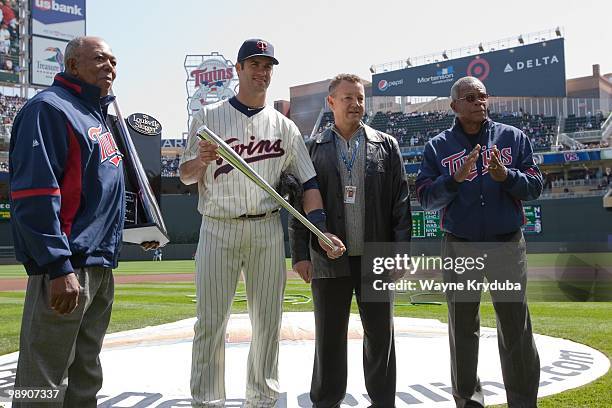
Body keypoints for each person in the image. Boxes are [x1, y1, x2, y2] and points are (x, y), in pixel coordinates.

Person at [179, 38, 345, 408]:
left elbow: (309, 183)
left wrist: (320, 229)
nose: (262, 71)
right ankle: (206, 400)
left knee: (268, 323)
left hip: (266, 227)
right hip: (218, 226)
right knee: (210, 322)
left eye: (267, 65)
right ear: (238, 70)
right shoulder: (207, 117)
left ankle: (263, 398)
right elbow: (187, 176)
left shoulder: (284, 127)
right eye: (254, 64)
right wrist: (202, 160)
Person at [9, 36, 139, 407]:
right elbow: (35, 194)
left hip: (98, 265)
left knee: (86, 375)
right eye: (99, 59)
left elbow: (98, 192)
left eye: (113, 60)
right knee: (42, 378)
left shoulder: (96, 114)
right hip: (67, 266)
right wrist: (56, 265)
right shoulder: (49, 109)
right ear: (71, 65)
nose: (110, 67)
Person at [415, 76, 542, 408]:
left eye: (482, 96)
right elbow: (426, 197)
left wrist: (507, 177)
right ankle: (468, 402)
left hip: (506, 244)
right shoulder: (437, 146)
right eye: (469, 97)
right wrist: (453, 179)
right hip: (460, 244)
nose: (478, 102)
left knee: (516, 327)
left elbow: (535, 186)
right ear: (454, 105)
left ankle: (524, 402)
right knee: (462, 330)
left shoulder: (512, 138)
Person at [289, 74, 412, 408]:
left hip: (375, 257)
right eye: (348, 98)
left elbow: (400, 202)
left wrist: (400, 252)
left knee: (380, 336)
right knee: (329, 336)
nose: (356, 104)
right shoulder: (312, 148)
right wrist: (300, 254)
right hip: (328, 258)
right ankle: (326, 400)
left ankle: (383, 400)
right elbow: (299, 203)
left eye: (359, 98)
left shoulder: (386, 145)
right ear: (331, 103)